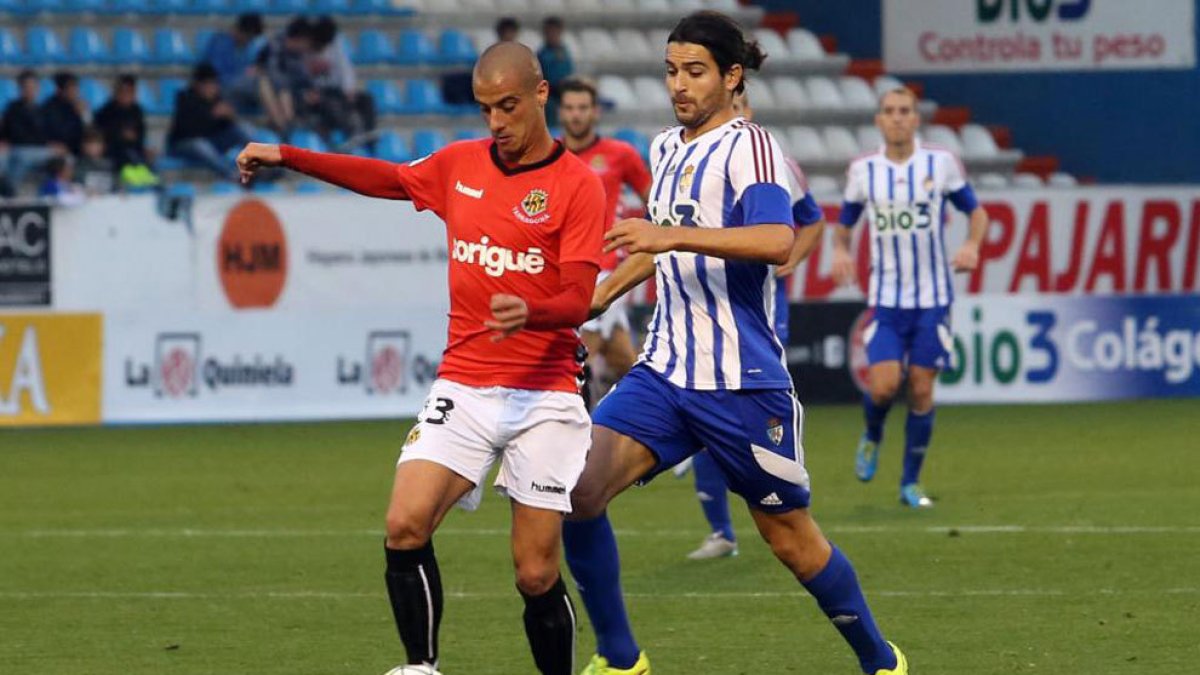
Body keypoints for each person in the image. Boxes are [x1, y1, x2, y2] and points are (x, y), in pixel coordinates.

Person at [235, 41, 605, 675]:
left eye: (508, 106)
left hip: (545, 394)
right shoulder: (459, 165)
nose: (496, 122)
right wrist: (288, 157)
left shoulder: (577, 186)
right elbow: (385, 178)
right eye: (486, 108)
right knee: (404, 524)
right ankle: (419, 667)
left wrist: (533, 311)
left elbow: (578, 297)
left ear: (540, 95)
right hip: (465, 381)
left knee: (536, 571)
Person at [560, 12, 907, 675]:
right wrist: (599, 296)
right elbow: (661, 237)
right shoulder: (665, 147)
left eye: (695, 71)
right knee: (577, 492)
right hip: (664, 371)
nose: (680, 85)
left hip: (741, 381)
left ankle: (880, 659)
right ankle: (621, 656)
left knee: (791, 541)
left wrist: (671, 238)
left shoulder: (753, 148)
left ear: (731, 75)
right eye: (671, 71)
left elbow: (776, 240)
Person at [681, 87, 827, 561]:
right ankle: (721, 531)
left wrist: (791, 260)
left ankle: (785, 512)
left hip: (758, 313)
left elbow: (811, 221)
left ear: (748, 110)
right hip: (704, 312)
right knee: (707, 421)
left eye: (741, 109)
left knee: (746, 418)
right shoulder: (692, 159)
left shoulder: (773, 162)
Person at [834, 87, 988, 508]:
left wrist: (972, 244)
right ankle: (873, 433)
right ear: (879, 121)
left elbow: (977, 212)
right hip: (885, 299)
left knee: (921, 390)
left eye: (905, 111)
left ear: (916, 119)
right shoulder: (864, 170)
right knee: (884, 387)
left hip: (933, 298)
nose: (898, 118)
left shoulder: (940, 163)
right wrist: (841, 250)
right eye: (889, 112)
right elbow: (846, 222)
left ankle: (909, 483)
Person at [557, 76, 650, 404]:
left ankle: (571, 431)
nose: (576, 114)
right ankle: (666, 432)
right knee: (627, 362)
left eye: (583, 107)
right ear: (560, 112)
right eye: (569, 108)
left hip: (606, 269)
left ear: (595, 112)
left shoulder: (620, 154)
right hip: (563, 270)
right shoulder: (550, 156)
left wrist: (645, 236)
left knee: (576, 357)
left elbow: (658, 204)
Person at [168, 64, 251, 181]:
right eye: (208, 84)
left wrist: (230, 116)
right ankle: (232, 175)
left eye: (214, 84)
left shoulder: (216, 98)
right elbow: (188, 130)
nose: (212, 88)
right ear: (198, 85)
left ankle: (262, 165)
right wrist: (211, 116)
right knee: (201, 145)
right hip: (183, 144)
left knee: (243, 129)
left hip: (211, 141)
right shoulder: (185, 98)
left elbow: (224, 127)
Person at [307, 15, 375, 141]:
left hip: (335, 90)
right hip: (317, 93)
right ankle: (351, 132)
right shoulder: (306, 48)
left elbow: (345, 68)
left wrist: (348, 89)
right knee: (331, 104)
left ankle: (368, 132)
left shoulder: (335, 45)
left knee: (366, 99)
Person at [1, 70, 63, 189]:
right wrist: (46, 144)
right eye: (26, 87)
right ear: (20, 88)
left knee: (63, 157)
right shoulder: (13, 109)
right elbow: (17, 135)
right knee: (20, 158)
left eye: (33, 86)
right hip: (20, 148)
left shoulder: (43, 110)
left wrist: (54, 144)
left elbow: (49, 132)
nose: (30, 90)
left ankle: (54, 190)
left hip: (40, 149)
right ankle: (11, 191)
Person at [257, 17, 315, 134]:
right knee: (281, 92)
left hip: (288, 90)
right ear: (299, 39)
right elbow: (273, 73)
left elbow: (303, 76)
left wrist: (310, 89)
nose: (307, 46)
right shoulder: (274, 47)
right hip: (263, 86)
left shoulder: (297, 54)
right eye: (307, 42)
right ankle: (284, 129)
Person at [201, 12, 267, 114]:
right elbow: (216, 75)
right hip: (221, 88)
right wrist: (246, 75)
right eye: (249, 38)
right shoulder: (220, 43)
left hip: (237, 90)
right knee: (263, 83)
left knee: (268, 80)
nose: (249, 42)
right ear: (241, 31)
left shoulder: (241, 49)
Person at [41, 71, 87, 158]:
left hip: (78, 149)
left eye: (76, 88)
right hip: (57, 149)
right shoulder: (49, 108)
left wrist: (84, 115)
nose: (75, 92)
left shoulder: (79, 106)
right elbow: (58, 132)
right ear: (60, 90)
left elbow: (88, 132)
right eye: (71, 88)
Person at [537, 16, 573, 123]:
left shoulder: (564, 52)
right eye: (549, 32)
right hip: (549, 95)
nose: (552, 35)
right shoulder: (541, 55)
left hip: (564, 92)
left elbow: (569, 72)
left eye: (555, 32)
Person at [76, 127, 115, 195]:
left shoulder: (110, 165)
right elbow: (75, 186)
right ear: (83, 146)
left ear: (103, 146)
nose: (93, 147)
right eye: (90, 144)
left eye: (97, 143)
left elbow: (116, 185)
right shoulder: (79, 166)